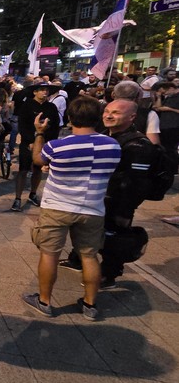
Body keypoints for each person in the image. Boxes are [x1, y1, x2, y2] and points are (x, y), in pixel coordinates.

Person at [22, 97, 121, 321]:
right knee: (89, 256)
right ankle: (89, 304)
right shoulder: (112, 145)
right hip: (93, 208)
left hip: (57, 206)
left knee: (49, 253)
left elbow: (38, 159)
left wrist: (39, 133)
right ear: (98, 117)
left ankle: (44, 300)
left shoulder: (58, 145)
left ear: (69, 118)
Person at [60, 100, 163, 288]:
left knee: (114, 237)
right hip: (98, 197)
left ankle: (109, 275)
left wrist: (125, 211)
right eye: (107, 111)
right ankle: (77, 260)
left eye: (116, 113)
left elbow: (136, 183)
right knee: (87, 233)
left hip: (118, 201)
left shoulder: (138, 145)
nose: (108, 115)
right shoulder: (105, 136)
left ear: (132, 117)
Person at [11, 82, 60, 212]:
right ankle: (17, 198)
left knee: (38, 169)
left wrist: (48, 143)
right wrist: (30, 141)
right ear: (35, 92)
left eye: (47, 90)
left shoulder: (51, 107)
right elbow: (23, 125)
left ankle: (33, 193)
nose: (45, 92)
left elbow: (55, 126)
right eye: (42, 90)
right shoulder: (26, 106)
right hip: (28, 143)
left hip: (44, 142)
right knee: (23, 169)